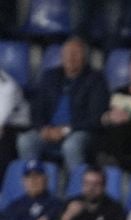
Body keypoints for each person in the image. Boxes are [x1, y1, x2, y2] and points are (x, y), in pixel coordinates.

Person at [22, 37, 108, 173]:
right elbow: (36, 108)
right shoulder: (49, 76)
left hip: (78, 131)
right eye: (67, 53)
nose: (71, 57)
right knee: (26, 141)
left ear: (85, 57)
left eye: (76, 53)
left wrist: (65, 130)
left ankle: (77, 187)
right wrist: (43, 129)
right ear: (62, 56)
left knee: (71, 146)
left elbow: (96, 117)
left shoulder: (96, 79)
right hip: (49, 131)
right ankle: (33, 184)